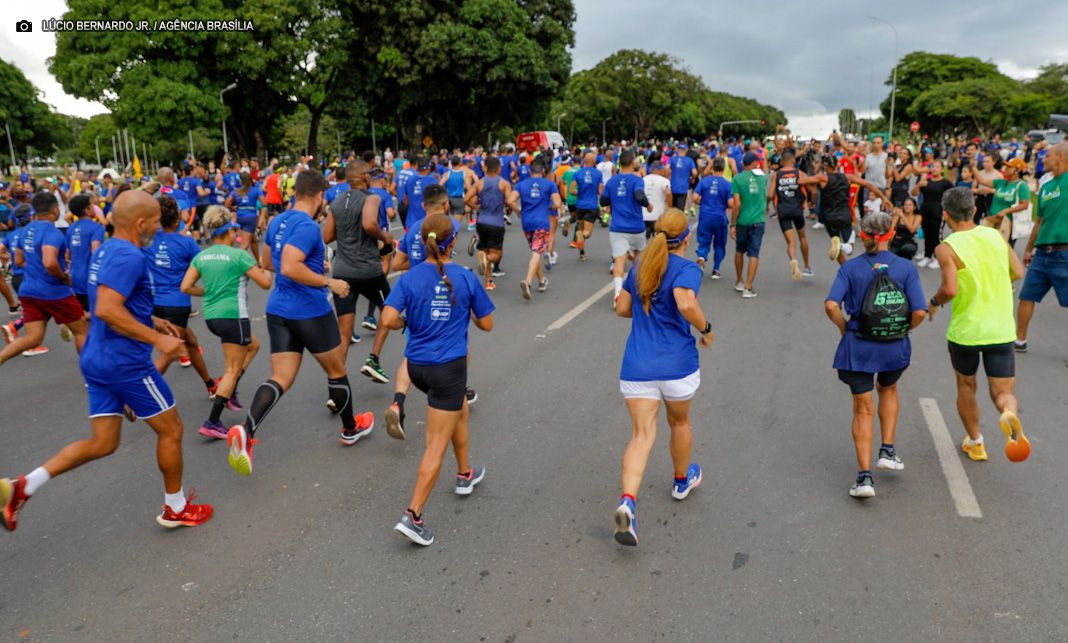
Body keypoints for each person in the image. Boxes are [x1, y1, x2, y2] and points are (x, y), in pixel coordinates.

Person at [1, 191, 214, 532]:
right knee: (172, 429)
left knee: (103, 442)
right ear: (141, 223)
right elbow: (107, 308)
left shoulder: (108, 251)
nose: (158, 228)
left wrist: (152, 320)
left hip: (96, 358)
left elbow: (111, 300)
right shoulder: (129, 256)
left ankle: (22, 487)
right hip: (125, 362)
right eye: (156, 222)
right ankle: (175, 507)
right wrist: (159, 340)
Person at [225, 170, 375, 477]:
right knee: (337, 370)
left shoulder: (278, 221)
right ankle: (350, 428)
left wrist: (311, 264)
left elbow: (268, 263)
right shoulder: (307, 226)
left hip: (279, 310)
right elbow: (291, 266)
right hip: (309, 310)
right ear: (320, 197)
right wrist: (328, 282)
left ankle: (247, 431)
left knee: (280, 377)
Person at [385, 213, 495, 546]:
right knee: (436, 442)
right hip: (448, 368)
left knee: (459, 407)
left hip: (417, 367)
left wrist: (409, 322)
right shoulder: (463, 277)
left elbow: (388, 318)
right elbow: (487, 325)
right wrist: (467, 310)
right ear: (452, 243)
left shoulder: (409, 276)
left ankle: (464, 474)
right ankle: (413, 515)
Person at [611, 209, 713, 546]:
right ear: (686, 238)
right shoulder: (686, 268)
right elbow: (685, 303)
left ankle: (628, 501)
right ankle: (682, 481)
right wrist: (706, 328)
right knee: (680, 424)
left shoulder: (641, 266)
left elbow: (622, 310)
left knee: (641, 435)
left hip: (638, 364)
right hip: (677, 365)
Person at [824, 212, 928, 498]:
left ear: (863, 235)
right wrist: (902, 329)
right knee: (889, 388)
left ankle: (864, 478)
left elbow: (832, 305)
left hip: (859, 345)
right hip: (893, 347)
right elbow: (920, 311)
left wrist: (845, 328)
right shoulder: (906, 268)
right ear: (890, 235)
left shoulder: (851, 268)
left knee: (862, 408)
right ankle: (888, 450)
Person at [928, 187, 1026, 462]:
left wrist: (934, 303)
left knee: (966, 386)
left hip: (966, 332)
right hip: (1000, 329)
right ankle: (1009, 415)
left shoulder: (946, 248)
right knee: (1003, 392)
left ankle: (976, 442)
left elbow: (950, 289)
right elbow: (1018, 272)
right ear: (973, 210)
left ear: (946, 215)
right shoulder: (995, 236)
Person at [182, 206, 272, 438]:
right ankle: (213, 421)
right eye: (234, 229)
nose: (236, 233)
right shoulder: (239, 255)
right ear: (227, 232)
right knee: (231, 370)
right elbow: (265, 283)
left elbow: (185, 287)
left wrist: (209, 292)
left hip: (213, 317)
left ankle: (229, 390)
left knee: (254, 345)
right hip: (234, 316)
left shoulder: (202, 256)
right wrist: (267, 267)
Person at [320, 161, 395, 385]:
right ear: (364, 177)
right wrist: (385, 237)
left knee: (344, 333)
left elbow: (326, 237)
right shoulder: (371, 198)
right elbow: (370, 224)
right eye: (369, 175)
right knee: (390, 310)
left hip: (342, 271)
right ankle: (373, 358)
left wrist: (346, 234)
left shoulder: (337, 201)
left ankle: (337, 387)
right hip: (368, 270)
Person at [0, 192, 89, 367]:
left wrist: (36, 268)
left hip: (29, 291)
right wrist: (63, 277)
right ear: (55, 210)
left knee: (33, 338)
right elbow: (49, 262)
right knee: (83, 332)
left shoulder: (26, 230)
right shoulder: (52, 232)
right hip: (54, 292)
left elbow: (18, 260)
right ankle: (93, 378)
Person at [144, 195, 215, 394]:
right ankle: (139, 395)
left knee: (191, 343)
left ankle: (210, 385)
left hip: (153, 304)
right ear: (177, 220)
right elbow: (205, 270)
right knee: (169, 352)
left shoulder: (146, 240)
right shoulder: (188, 243)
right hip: (177, 305)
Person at [1015, 142, 1068, 353]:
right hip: (1042, 254)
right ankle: (1020, 340)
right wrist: (1029, 248)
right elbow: (1039, 221)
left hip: (1065, 253)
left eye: (1047, 156)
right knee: (1027, 296)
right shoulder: (1046, 187)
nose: (1042, 160)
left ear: (1061, 157)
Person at [603, 150, 651, 302]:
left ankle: (618, 293)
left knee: (619, 262)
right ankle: (637, 289)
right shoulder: (637, 180)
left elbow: (603, 201)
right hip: (636, 227)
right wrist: (648, 205)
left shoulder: (611, 182)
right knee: (639, 260)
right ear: (633, 163)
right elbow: (638, 195)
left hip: (617, 227)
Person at [509, 158, 560, 299]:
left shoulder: (521, 185)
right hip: (542, 222)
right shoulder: (550, 184)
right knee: (537, 252)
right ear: (543, 171)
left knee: (534, 251)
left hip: (527, 223)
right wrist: (550, 206)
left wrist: (518, 211)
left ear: (530, 172)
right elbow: (558, 202)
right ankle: (528, 282)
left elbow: (510, 200)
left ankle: (542, 281)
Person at [466, 157, 511, 290]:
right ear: (499, 169)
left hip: (482, 222)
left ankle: (488, 281)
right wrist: (509, 210)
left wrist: (476, 208)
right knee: (496, 255)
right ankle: (484, 258)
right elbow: (509, 202)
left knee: (485, 249)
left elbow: (466, 199)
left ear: (485, 168)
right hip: (496, 223)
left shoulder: (479, 183)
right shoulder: (504, 183)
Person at [769, 149, 813, 281]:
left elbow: (770, 194)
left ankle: (794, 260)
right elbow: (812, 189)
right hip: (797, 209)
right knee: (803, 237)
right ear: (794, 161)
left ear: (782, 162)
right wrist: (811, 202)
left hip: (783, 210)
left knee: (791, 242)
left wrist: (766, 206)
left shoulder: (776, 175)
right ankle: (807, 266)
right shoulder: (799, 173)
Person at [729, 152, 768, 298]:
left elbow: (736, 203)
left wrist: (732, 224)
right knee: (754, 253)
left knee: (739, 250)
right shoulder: (763, 177)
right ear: (752, 164)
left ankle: (739, 281)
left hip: (742, 221)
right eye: (756, 162)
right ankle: (748, 287)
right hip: (758, 220)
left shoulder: (737, 179)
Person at [972, 157, 1032, 249]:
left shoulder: (1022, 185)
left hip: (1008, 223)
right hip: (993, 220)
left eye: (1009, 167)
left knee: (1004, 250)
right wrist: (973, 166)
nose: (1005, 169)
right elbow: (982, 181)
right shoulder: (1001, 182)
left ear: (1017, 170)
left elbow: (1024, 204)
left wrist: (1006, 211)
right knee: (989, 248)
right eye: (1006, 166)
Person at [693, 157, 732, 279]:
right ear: (724, 168)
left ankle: (701, 257)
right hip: (719, 217)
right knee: (720, 243)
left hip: (705, 216)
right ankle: (716, 269)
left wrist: (702, 202)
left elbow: (694, 197)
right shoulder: (727, 184)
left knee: (703, 240)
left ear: (712, 167)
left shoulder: (704, 181)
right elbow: (731, 203)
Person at [66, 194, 106, 312]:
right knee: (96, 314)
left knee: (83, 313)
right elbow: (95, 251)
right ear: (87, 210)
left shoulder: (70, 229)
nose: (94, 207)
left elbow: (67, 255)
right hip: (90, 278)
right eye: (92, 205)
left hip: (75, 277)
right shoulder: (97, 228)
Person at [912, 161, 954, 269]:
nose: (934, 169)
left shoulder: (946, 183)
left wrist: (948, 210)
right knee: (927, 234)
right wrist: (918, 184)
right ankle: (927, 256)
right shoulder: (926, 182)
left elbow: (953, 195)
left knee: (936, 236)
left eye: (937, 167)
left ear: (941, 170)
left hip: (938, 211)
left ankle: (937, 258)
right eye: (932, 167)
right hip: (925, 210)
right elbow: (914, 193)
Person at [568, 152, 603, 262]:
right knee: (587, 233)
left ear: (584, 161)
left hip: (579, 206)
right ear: (594, 162)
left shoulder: (578, 173)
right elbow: (600, 191)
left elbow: (572, 191)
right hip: (591, 205)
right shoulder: (598, 174)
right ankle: (582, 236)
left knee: (580, 229)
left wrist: (580, 193)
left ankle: (582, 254)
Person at [226, 172, 266, 261]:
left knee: (254, 240)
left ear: (240, 181)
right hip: (251, 218)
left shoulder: (236, 191)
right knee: (244, 245)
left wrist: (233, 207)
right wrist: (262, 217)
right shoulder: (256, 190)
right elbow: (264, 203)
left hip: (239, 217)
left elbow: (227, 202)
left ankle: (259, 262)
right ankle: (234, 263)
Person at [642, 161, 671, 238]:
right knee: (657, 241)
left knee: (642, 243)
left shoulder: (644, 179)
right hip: (657, 216)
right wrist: (669, 208)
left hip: (643, 215)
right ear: (660, 170)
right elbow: (668, 193)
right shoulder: (664, 180)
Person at [669, 143, 697, 210]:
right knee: (680, 210)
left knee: (672, 210)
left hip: (672, 187)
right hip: (683, 188)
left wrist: (667, 177)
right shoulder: (689, 160)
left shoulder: (672, 159)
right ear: (686, 150)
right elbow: (695, 173)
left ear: (678, 150)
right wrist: (692, 179)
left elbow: (667, 168)